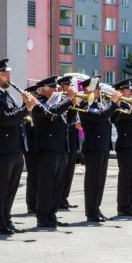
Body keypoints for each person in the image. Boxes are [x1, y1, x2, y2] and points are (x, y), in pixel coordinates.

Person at [0, 59, 36, 235]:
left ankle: (7, 218)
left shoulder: (7, 95)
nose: (9, 77)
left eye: (9, 74)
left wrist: (24, 107)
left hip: (15, 148)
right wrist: (26, 109)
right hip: (2, 149)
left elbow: (16, 117)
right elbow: (3, 119)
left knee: (12, 186)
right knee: (1, 187)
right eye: (5, 74)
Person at [32, 76, 75, 229]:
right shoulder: (40, 103)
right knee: (46, 185)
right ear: (44, 90)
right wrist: (69, 100)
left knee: (57, 185)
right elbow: (53, 112)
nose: (57, 90)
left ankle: (52, 214)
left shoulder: (57, 102)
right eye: (53, 87)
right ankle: (43, 217)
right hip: (48, 149)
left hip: (60, 148)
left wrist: (72, 103)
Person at [75, 79, 119, 222]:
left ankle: (96, 208)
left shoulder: (100, 104)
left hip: (103, 147)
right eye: (95, 88)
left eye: (98, 88)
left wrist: (115, 105)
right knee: (93, 181)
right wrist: (112, 103)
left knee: (100, 181)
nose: (98, 91)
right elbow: (100, 116)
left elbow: (109, 116)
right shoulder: (85, 105)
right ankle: (91, 211)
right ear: (87, 90)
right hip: (93, 147)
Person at [111, 79, 132, 217]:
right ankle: (122, 206)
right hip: (125, 146)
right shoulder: (118, 105)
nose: (130, 92)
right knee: (125, 177)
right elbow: (129, 114)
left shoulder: (130, 104)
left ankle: (130, 204)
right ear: (120, 91)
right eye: (128, 90)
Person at [58, 76, 80, 210]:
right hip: (64, 137)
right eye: (67, 85)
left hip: (72, 138)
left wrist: (75, 104)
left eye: (70, 85)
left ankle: (64, 197)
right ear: (62, 86)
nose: (70, 87)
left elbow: (72, 116)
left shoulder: (71, 100)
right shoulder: (59, 99)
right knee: (63, 170)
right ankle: (59, 198)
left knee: (70, 170)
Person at [23, 82, 39, 214]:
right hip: (30, 148)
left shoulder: (36, 109)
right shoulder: (25, 110)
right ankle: (31, 204)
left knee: (38, 176)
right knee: (33, 176)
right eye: (34, 95)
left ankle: (36, 202)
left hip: (37, 147)